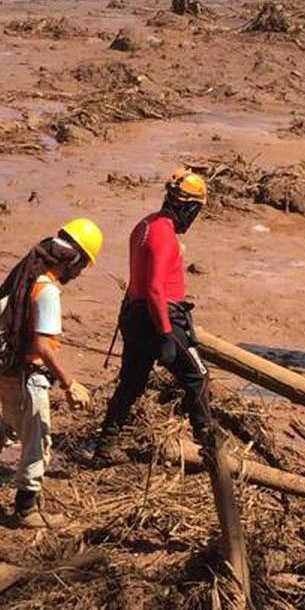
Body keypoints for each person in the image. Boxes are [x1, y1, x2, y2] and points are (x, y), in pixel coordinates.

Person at [0, 220, 101, 528]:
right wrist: (69, 383)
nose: (80, 274)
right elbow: (44, 347)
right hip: (28, 376)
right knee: (37, 440)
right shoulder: (48, 292)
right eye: (83, 267)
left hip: (8, 371)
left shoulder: (27, 276)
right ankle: (25, 508)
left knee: (12, 425)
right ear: (75, 260)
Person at [93, 172, 213, 465]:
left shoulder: (145, 225)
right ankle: (210, 445)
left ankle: (105, 446)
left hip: (133, 313)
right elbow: (156, 288)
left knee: (131, 383)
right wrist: (165, 333)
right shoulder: (164, 236)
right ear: (190, 208)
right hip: (158, 315)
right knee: (198, 376)